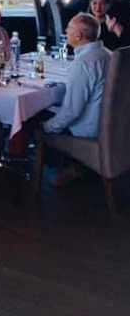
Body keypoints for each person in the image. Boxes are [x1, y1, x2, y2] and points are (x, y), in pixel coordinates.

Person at [41, 13, 111, 187]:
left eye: (69, 28)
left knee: (39, 119)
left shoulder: (83, 63)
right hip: (111, 125)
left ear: (78, 36)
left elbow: (72, 111)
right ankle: (78, 168)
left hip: (89, 130)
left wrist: (46, 126)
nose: (66, 30)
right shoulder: (108, 54)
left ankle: (72, 168)